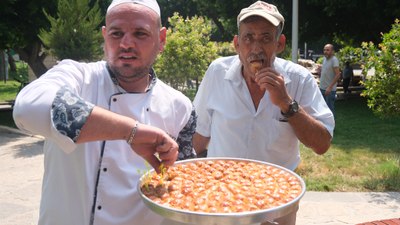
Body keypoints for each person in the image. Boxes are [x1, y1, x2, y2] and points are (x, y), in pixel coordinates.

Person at [12, 0, 197, 225]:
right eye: (116, 33)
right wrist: (130, 131)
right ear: (104, 37)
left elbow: (183, 187)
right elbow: (27, 108)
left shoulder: (180, 107)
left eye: (140, 33)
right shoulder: (77, 77)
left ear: (161, 40)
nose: (126, 44)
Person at [192, 1, 334, 224]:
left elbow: (322, 143)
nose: (256, 48)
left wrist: (287, 104)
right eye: (248, 38)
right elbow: (199, 135)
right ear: (237, 44)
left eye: (266, 38)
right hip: (221, 197)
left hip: (277, 199)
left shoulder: (299, 79)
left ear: (279, 44)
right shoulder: (217, 73)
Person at [319, 44, 341, 113]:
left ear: (332, 51)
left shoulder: (334, 60)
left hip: (329, 91)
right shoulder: (324, 59)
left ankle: (331, 124)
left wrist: (330, 87)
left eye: (328, 50)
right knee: (322, 109)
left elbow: (338, 75)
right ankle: (323, 124)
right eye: (324, 50)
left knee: (329, 110)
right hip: (322, 88)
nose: (325, 51)